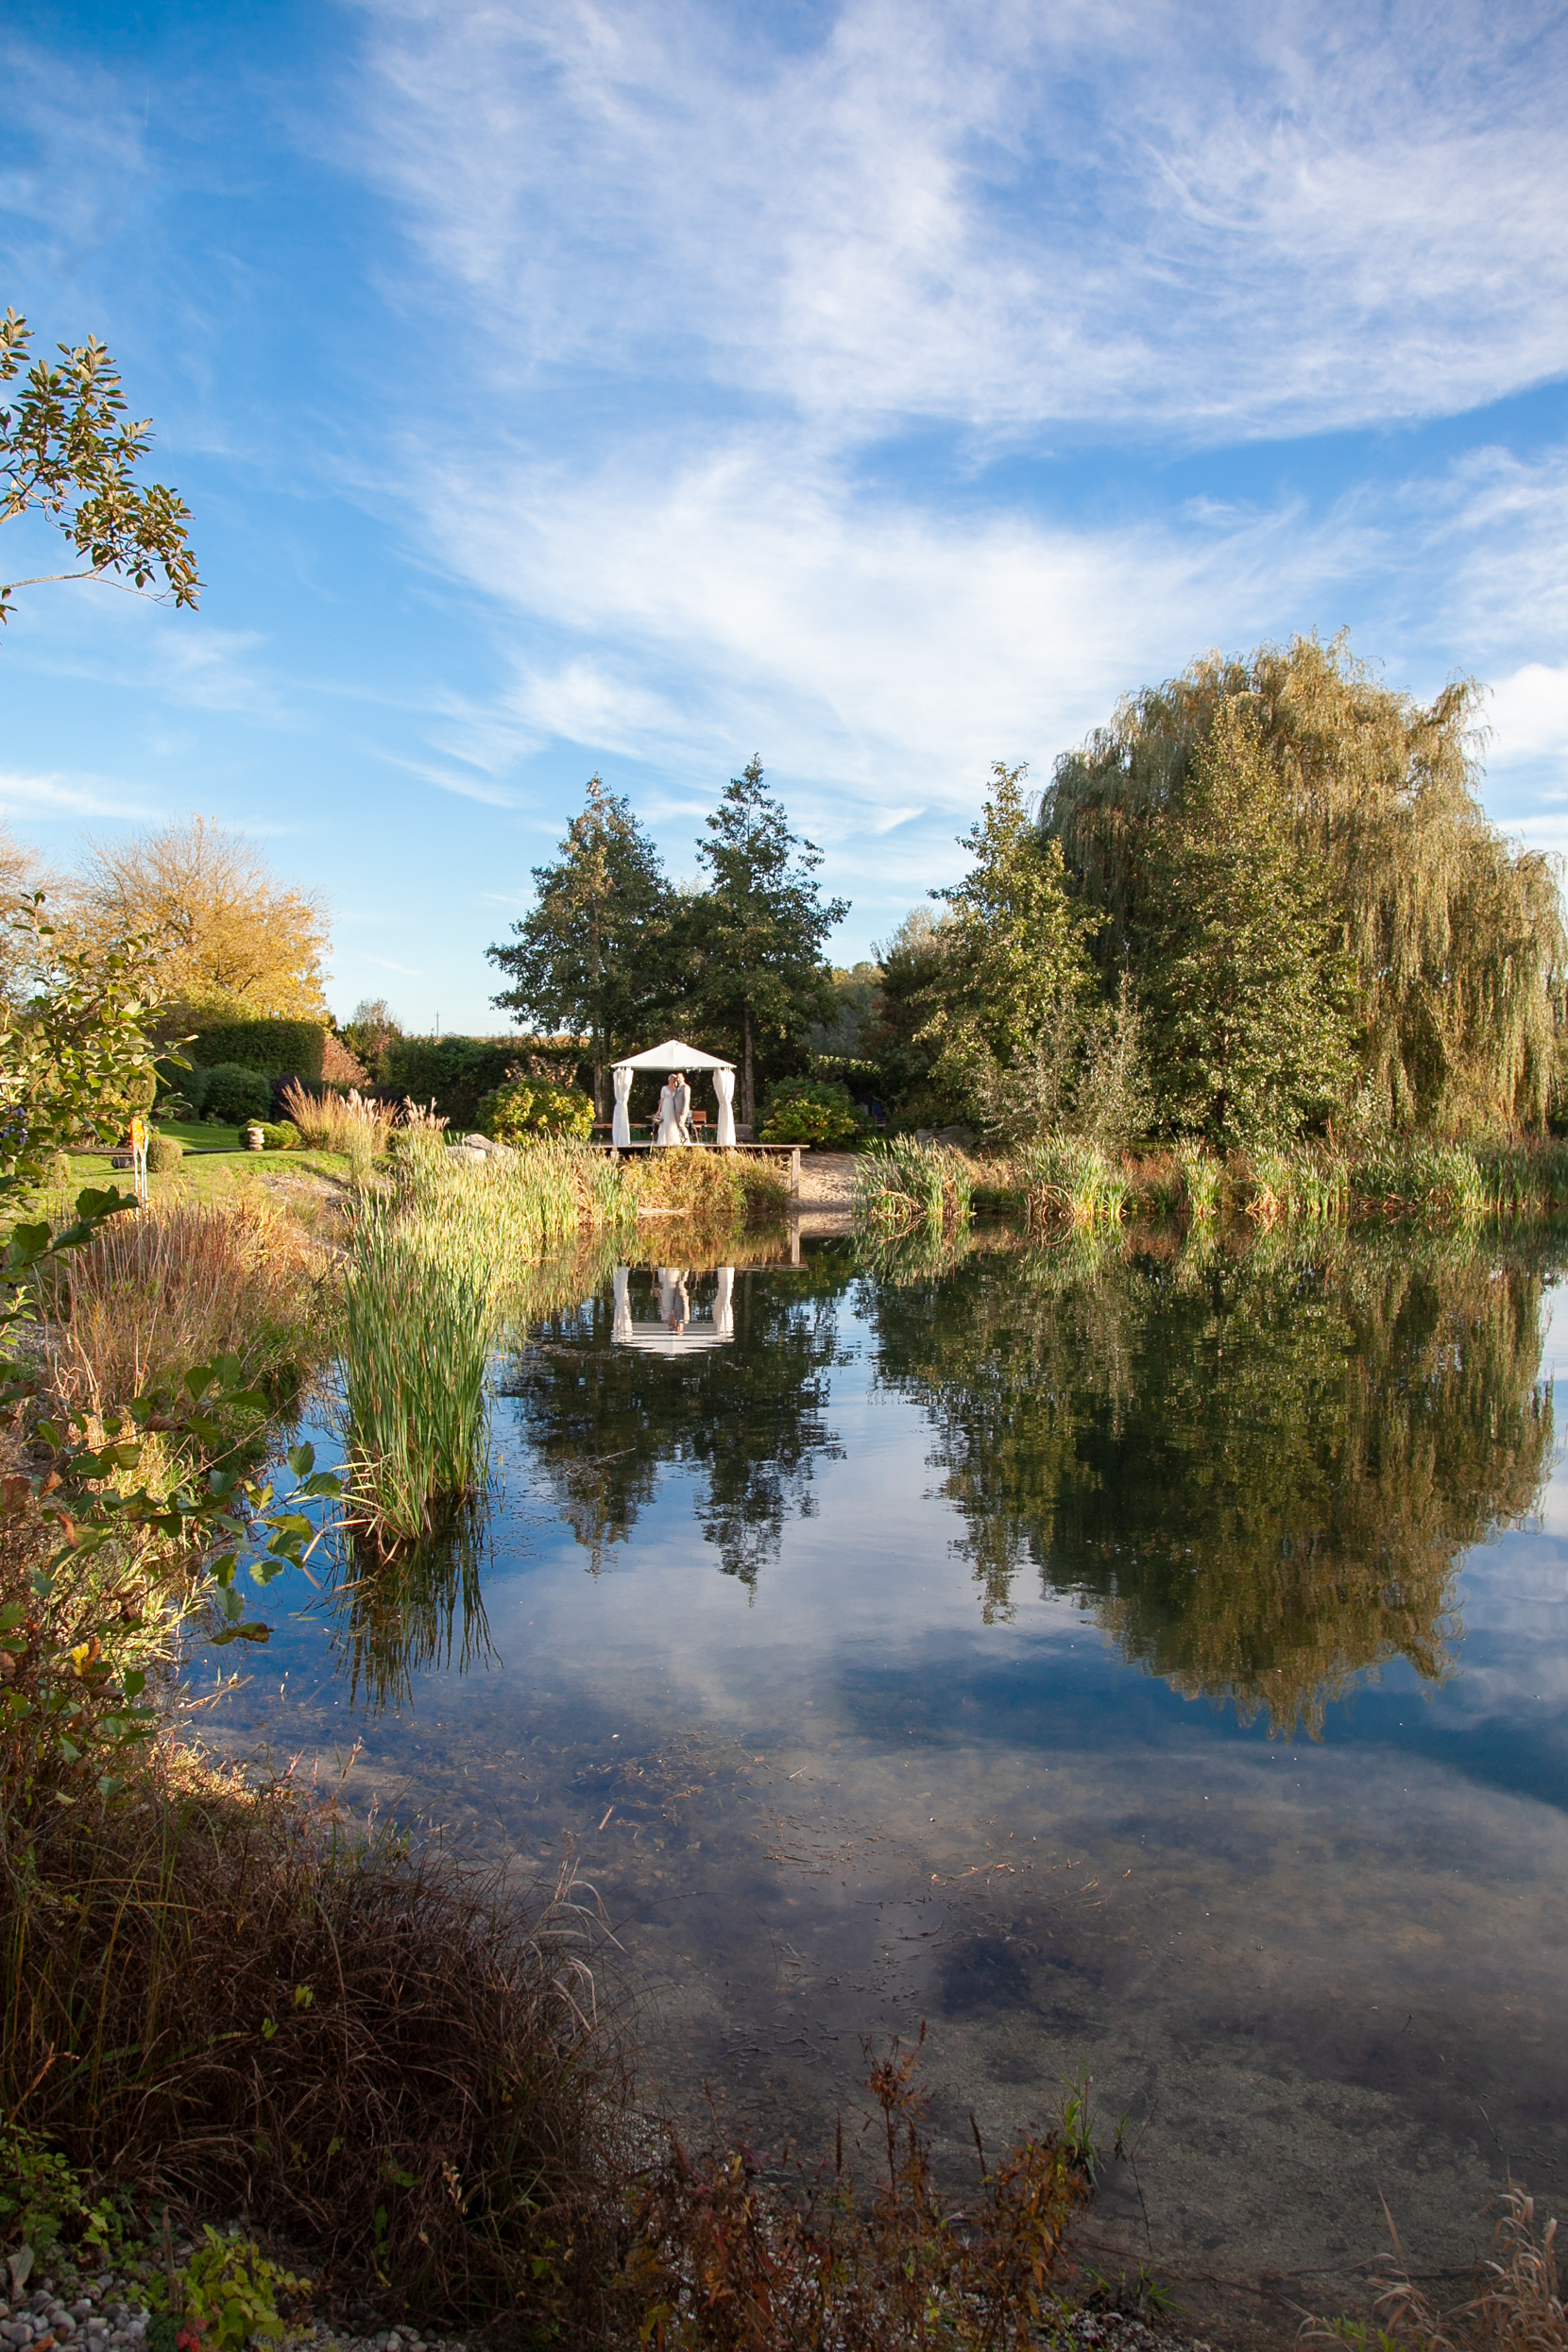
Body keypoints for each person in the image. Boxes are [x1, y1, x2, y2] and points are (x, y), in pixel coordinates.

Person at [656, 1071, 691, 1145]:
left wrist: (684, 1108)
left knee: (677, 1124)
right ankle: (666, 1140)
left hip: (673, 1107)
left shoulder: (681, 1088)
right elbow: (661, 1100)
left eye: (674, 1079)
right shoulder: (665, 1088)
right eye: (672, 1079)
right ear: (669, 1080)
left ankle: (685, 1140)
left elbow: (686, 1098)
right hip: (666, 1106)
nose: (674, 1080)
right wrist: (659, 1110)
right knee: (667, 1123)